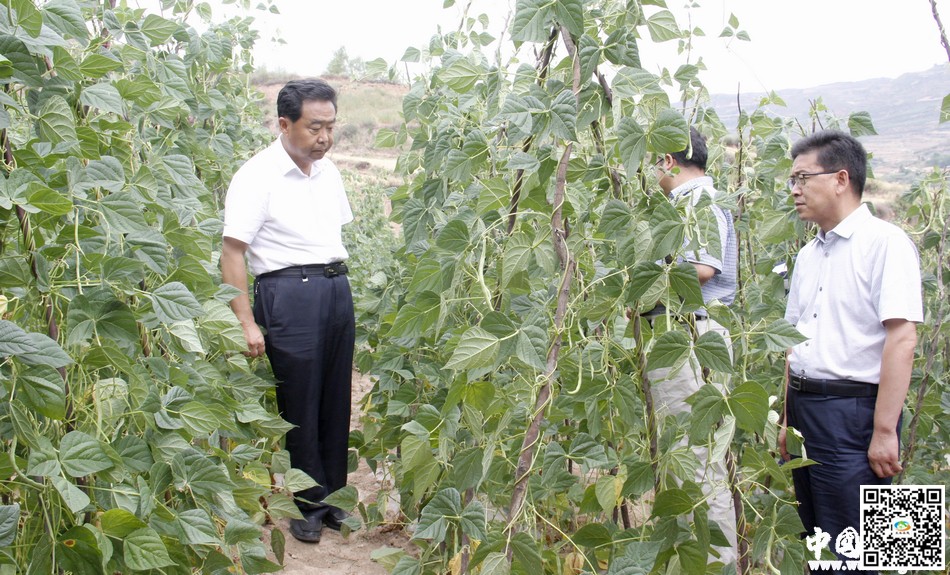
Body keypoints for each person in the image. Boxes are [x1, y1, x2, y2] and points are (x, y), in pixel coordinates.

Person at [778, 130, 922, 570]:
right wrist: (786, 419)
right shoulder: (808, 255)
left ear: (841, 179)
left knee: (870, 550)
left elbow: (903, 338)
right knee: (818, 539)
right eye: (792, 180)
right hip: (807, 410)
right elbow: (793, 343)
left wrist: (885, 431)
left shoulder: (886, 242)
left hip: (856, 414)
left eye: (803, 178)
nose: (795, 190)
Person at [221, 78, 355, 544]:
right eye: (314, 127)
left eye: (330, 127)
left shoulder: (328, 172)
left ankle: (333, 497)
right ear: (284, 124)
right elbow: (233, 252)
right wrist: (245, 320)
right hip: (287, 291)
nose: (325, 137)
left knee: (335, 397)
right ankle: (306, 505)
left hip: (335, 287)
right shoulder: (256, 176)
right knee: (299, 401)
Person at [650, 126, 740, 568]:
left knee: (699, 458)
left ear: (668, 161)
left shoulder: (699, 202)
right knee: (688, 454)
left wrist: (644, 290)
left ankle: (717, 565)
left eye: (651, 161)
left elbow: (703, 268)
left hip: (692, 337)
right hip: (688, 335)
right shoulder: (687, 203)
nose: (648, 172)